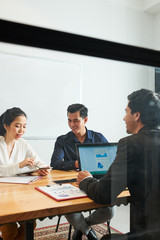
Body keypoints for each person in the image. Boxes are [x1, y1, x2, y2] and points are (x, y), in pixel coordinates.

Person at [77, 89, 160, 240]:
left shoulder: (130, 144)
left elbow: (105, 194)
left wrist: (86, 180)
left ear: (136, 115)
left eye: (126, 111)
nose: (123, 118)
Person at [50, 104, 116, 240]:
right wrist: (75, 163)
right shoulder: (62, 140)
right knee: (68, 208)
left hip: (96, 181)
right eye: (69, 120)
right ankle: (90, 234)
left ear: (85, 120)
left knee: (110, 210)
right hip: (73, 183)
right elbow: (55, 163)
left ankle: (81, 228)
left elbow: (110, 161)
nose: (72, 124)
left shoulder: (98, 138)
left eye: (76, 120)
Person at [0, 107, 49, 240]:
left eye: (24, 126)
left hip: (19, 194)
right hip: (1, 197)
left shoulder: (23, 144)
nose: (22, 130)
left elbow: (40, 161)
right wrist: (20, 164)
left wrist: (41, 168)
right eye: (17, 126)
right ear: (6, 126)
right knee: (10, 231)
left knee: (30, 224)